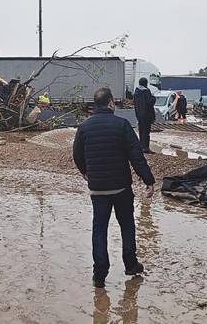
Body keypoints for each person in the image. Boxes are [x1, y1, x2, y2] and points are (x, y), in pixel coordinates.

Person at [74, 87, 156, 288]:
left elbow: (77, 155)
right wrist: (148, 180)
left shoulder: (84, 127)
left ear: (95, 104)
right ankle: (130, 264)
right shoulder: (122, 125)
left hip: (98, 189)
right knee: (127, 224)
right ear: (111, 103)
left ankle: (99, 275)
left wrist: (86, 173)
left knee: (99, 230)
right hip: (121, 188)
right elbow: (136, 156)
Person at [133, 78, 155, 154]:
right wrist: (153, 98)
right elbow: (149, 102)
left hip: (139, 115)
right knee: (146, 132)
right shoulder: (146, 91)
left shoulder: (136, 92)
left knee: (141, 131)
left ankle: (141, 146)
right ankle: (145, 147)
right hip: (147, 115)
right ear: (145, 83)